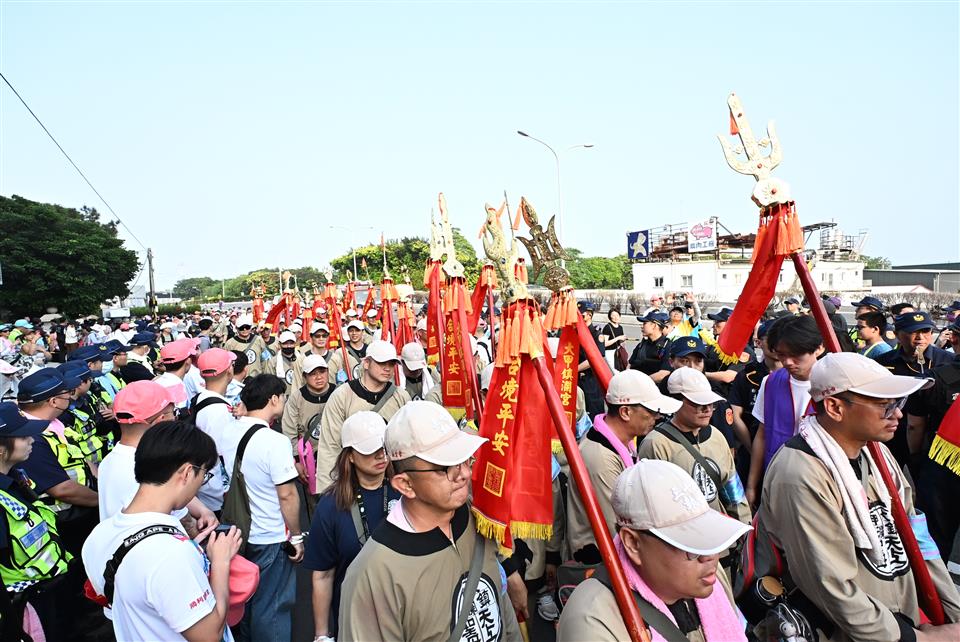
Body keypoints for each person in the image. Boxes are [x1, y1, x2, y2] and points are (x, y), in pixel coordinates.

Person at [756, 353, 960, 642]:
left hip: (898, 619)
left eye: (899, 403)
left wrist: (954, 613)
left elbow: (919, 540)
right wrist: (917, 639)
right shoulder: (799, 473)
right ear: (835, 407)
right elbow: (829, 584)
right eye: (885, 406)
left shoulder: (879, 455)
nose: (898, 415)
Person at [339, 401, 522, 641]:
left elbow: (498, 602)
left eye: (464, 459)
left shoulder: (477, 517)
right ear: (405, 484)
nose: (464, 473)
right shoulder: (372, 576)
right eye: (445, 467)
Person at [82, 421, 243, 642]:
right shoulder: (171, 554)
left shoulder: (98, 536)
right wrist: (220, 563)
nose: (201, 484)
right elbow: (209, 635)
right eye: (204, 476)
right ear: (187, 473)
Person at [558, 459, 750, 642]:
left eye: (709, 537)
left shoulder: (712, 577)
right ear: (633, 543)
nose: (711, 556)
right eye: (690, 545)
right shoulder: (591, 619)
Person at [639, 367, 751, 600]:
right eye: (698, 404)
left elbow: (732, 486)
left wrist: (744, 528)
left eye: (710, 404)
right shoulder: (656, 444)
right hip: (683, 549)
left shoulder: (717, 436)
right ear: (676, 402)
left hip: (721, 542)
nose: (707, 409)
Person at [567, 369, 681, 564]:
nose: (657, 417)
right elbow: (617, 523)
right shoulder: (601, 458)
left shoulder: (621, 442)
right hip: (600, 561)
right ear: (626, 412)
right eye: (651, 411)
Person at [304, 412, 398, 641]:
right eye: (370, 449)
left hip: (402, 615)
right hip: (355, 621)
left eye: (384, 447)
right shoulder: (330, 506)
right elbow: (323, 575)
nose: (380, 454)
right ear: (351, 456)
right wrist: (321, 635)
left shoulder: (406, 492)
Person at [227, 374, 303, 642]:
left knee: (247, 602)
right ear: (273, 399)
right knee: (273, 607)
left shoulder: (228, 431)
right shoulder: (274, 441)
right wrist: (296, 536)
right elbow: (287, 495)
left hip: (238, 532)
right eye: (282, 397)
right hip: (270, 535)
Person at [0, 402, 72, 642]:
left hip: (43, 591)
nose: (31, 440)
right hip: (20, 608)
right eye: (23, 436)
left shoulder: (16, 478)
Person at [746, 314, 823, 508]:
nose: (788, 362)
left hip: (819, 483)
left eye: (796, 354)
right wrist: (752, 485)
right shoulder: (771, 382)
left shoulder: (835, 386)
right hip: (777, 479)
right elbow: (762, 435)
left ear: (819, 348)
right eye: (781, 354)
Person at [315, 340, 410, 491]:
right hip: (352, 481)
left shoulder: (401, 396)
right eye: (381, 363)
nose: (387, 368)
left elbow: (407, 443)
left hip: (392, 480)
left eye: (391, 364)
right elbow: (330, 446)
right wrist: (328, 490)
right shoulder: (342, 396)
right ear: (366, 363)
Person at [876, 311, 954, 467]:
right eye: (913, 332)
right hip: (893, 433)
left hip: (934, 439)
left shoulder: (947, 360)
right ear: (897, 335)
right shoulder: (882, 363)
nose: (920, 337)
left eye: (925, 331)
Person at [729, 319, 781, 480]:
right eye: (772, 338)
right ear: (758, 342)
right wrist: (753, 450)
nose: (778, 344)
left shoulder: (796, 377)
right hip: (749, 449)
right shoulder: (747, 375)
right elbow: (736, 416)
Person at [281, 354, 337, 499]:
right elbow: (289, 432)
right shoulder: (296, 399)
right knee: (316, 501)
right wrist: (297, 461)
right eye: (313, 374)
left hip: (337, 456)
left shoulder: (339, 393)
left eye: (322, 372)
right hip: (310, 459)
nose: (318, 377)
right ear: (305, 376)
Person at [192, 349, 240, 514]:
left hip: (205, 491)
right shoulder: (218, 411)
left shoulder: (200, 398)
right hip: (216, 497)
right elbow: (222, 457)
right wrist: (228, 493)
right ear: (229, 371)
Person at [578, 302, 607, 419]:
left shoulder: (596, 334)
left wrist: (575, 369)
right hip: (576, 379)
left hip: (590, 381)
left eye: (581, 315)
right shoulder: (576, 332)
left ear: (589, 315)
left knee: (593, 413)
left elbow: (596, 358)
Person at [629, 311, 670, 376]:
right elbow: (629, 364)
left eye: (644, 323)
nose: (642, 326)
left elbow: (664, 373)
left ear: (654, 326)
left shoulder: (667, 346)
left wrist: (643, 381)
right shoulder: (641, 345)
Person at [266, 330, 304, 395]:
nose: (288, 346)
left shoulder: (301, 360)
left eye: (291, 343)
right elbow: (269, 384)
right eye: (285, 343)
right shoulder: (273, 362)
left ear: (295, 344)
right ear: (280, 344)